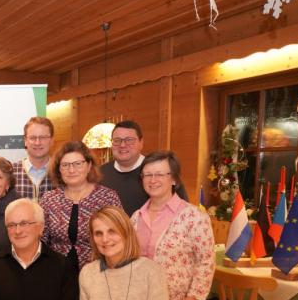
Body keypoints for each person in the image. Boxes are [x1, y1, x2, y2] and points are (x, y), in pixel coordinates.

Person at [132, 151, 215, 300]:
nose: (153, 180)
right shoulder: (135, 217)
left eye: (160, 174)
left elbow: (206, 263)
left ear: (174, 179)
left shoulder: (193, 217)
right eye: (147, 175)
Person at [40, 141, 122, 272]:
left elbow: (120, 236)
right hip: (56, 273)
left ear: (89, 165)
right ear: (58, 169)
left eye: (78, 164)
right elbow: (41, 240)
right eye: (65, 165)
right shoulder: (49, 199)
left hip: (99, 272)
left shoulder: (107, 197)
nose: (71, 170)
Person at [98, 120, 188, 217]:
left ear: (141, 142)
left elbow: (183, 210)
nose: (122, 145)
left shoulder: (160, 171)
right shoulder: (100, 173)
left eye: (129, 140)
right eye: (117, 140)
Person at [12, 116, 54, 201]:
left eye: (43, 137)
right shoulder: (11, 172)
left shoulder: (61, 171)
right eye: (32, 138)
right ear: (25, 141)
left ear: (52, 140)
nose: (37, 143)